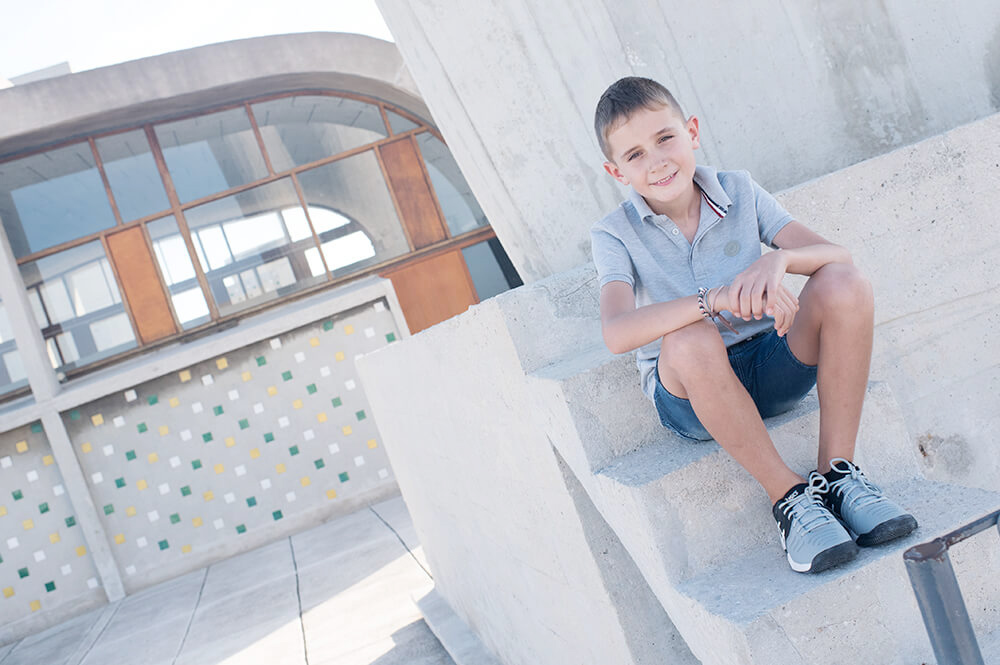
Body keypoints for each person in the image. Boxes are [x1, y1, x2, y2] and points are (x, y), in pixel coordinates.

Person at [590, 76, 916, 573]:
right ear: (617, 172)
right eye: (634, 155)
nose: (656, 161)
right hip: (691, 394)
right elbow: (616, 332)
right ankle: (789, 499)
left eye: (665, 138)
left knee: (845, 283)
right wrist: (712, 300)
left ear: (692, 132)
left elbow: (837, 256)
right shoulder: (613, 234)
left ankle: (839, 475)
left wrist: (780, 261)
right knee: (691, 336)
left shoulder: (738, 189)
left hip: (770, 362)